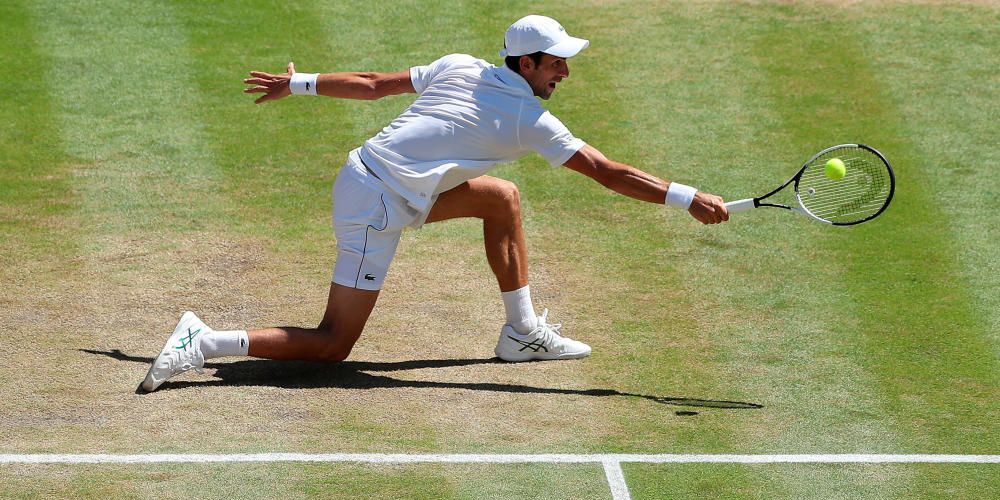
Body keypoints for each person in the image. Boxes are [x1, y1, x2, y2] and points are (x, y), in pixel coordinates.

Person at [141, 15, 728, 393]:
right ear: (526, 65)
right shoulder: (530, 120)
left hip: (371, 178)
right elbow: (607, 172)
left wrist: (297, 83)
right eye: (556, 63)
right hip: (375, 206)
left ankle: (521, 334)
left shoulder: (461, 66)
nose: (566, 72)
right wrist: (687, 198)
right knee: (332, 345)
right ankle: (205, 341)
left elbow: (373, 83)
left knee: (500, 198)